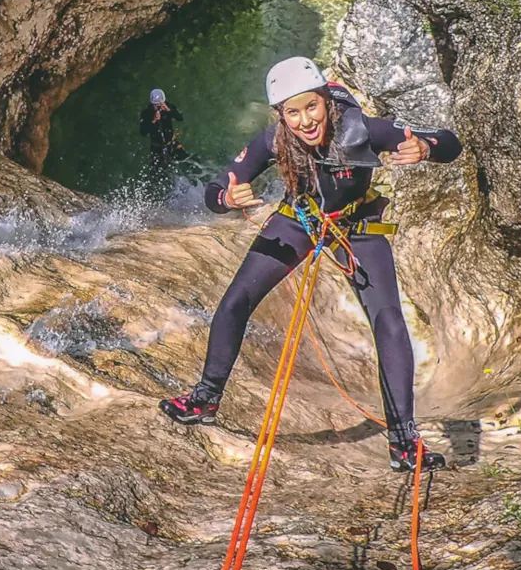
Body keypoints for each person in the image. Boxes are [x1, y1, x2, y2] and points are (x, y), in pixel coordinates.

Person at [157, 56, 462, 472]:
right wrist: (227, 200)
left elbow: (449, 141)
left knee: (389, 321)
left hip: (356, 224)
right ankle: (204, 400)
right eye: (293, 112)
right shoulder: (273, 140)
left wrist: (426, 148)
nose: (305, 121)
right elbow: (218, 188)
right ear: (280, 115)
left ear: (325, 101)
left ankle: (403, 440)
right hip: (299, 219)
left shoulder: (364, 128)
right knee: (235, 301)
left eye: (311, 107)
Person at [139, 88, 187, 171]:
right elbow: (143, 132)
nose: (158, 107)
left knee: (186, 160)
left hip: (171, 142)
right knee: (156, 170)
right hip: (157, 146)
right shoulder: (146, 113)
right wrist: (153, 121)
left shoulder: (169, 106)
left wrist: (169, 110)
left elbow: (180, 118)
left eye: (160, 104)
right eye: (156, 105)